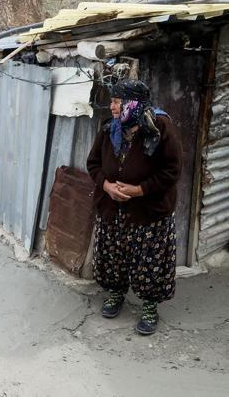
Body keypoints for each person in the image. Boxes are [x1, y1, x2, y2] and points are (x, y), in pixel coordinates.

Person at [86, 79, 182, 336]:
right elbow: (93, 164)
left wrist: (140, 190)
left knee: (148, 263)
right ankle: (116, 293)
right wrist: (106, 185)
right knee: (112, 257)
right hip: (112, 210)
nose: (112, 107)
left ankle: (150, 306)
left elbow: (172, 171)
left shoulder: (160, 128)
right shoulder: (110, 130)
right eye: (113, 101)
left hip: (148, 213)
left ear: (133, 104)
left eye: (117, 102)